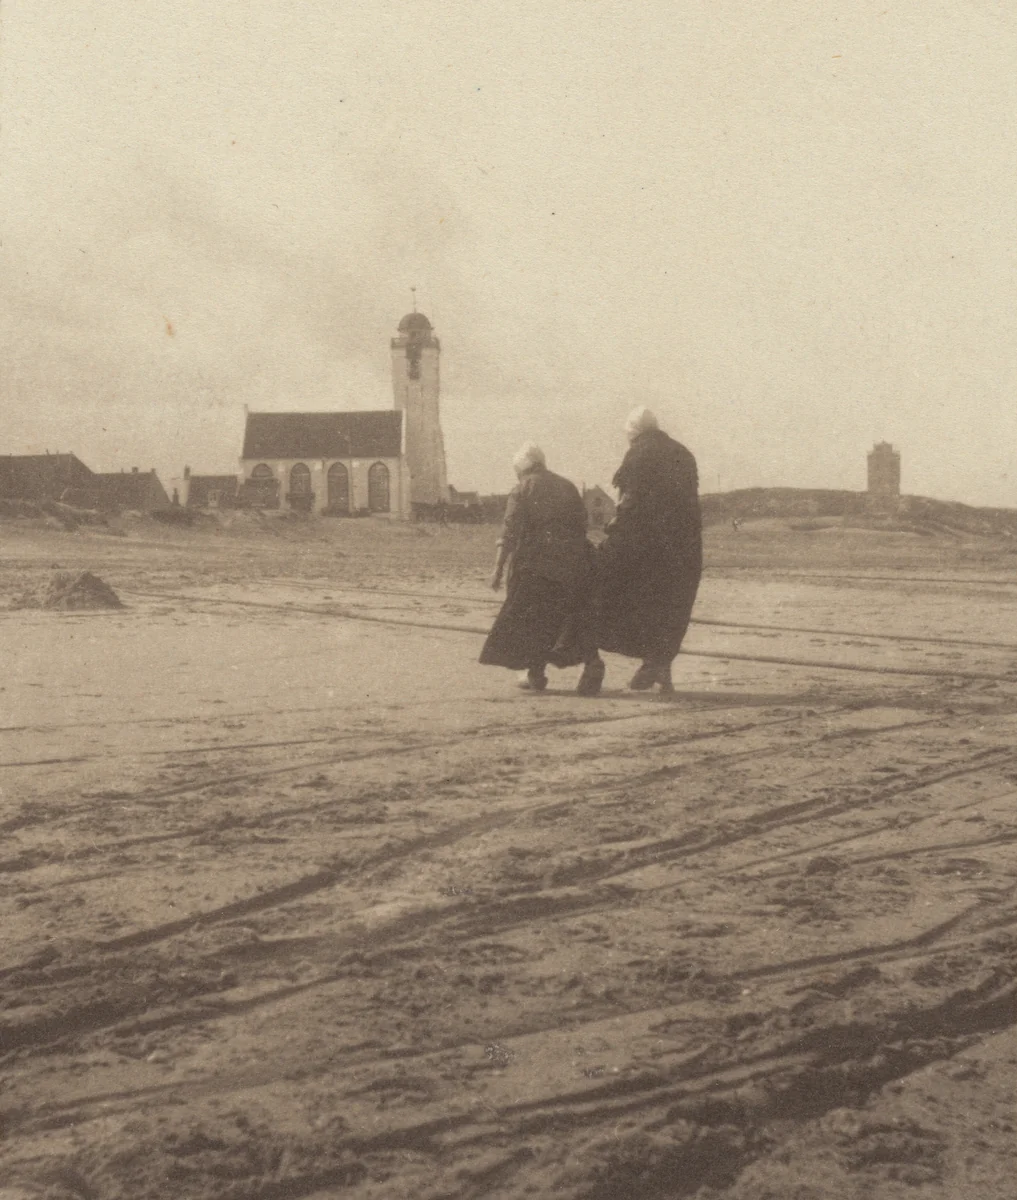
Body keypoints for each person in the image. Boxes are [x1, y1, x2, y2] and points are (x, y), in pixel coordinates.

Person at [480, 443, 605, 695]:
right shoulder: (568, 486)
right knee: (573, 618)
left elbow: (510, 532)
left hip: (538, 567)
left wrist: (497, 570)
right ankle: (592, 663)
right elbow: (582, 525)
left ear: (521, 469)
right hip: (576, 564)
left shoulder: (522, 489)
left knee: (533, 619)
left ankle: (535, 672)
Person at [596, 407, 702, 693]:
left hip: (646, 547)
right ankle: (660, 667)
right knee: (669, 608)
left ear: (633, 433)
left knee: (621, 598)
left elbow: (630, 502)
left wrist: (613, 529)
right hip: (683, 549)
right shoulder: (683, 453)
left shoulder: (639, 453)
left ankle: (640, 663)